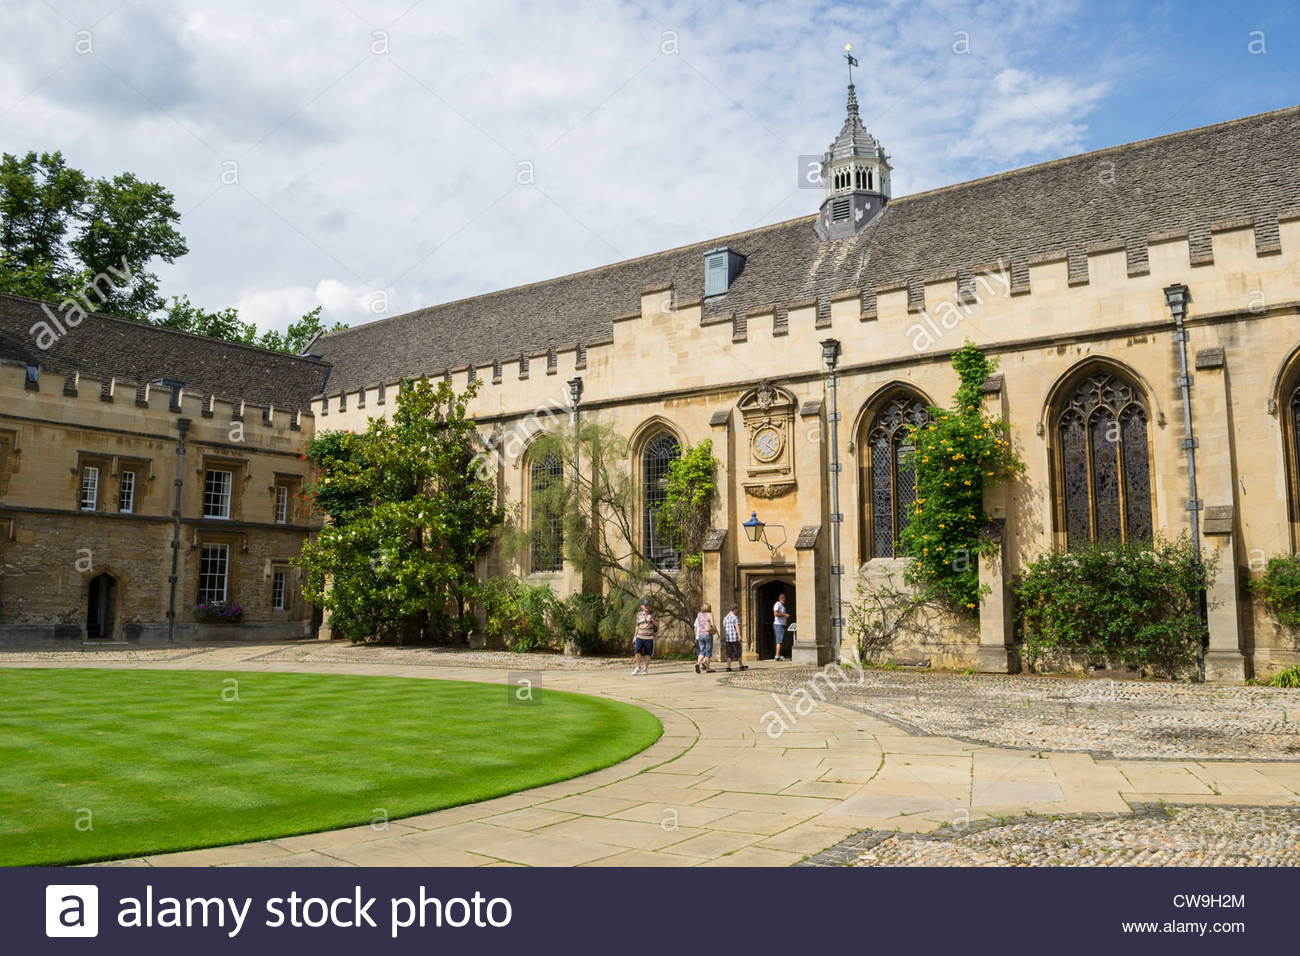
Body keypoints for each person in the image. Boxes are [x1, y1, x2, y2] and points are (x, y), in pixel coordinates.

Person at [632, 600, 658, 675]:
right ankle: (638, 667)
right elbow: (637, 626)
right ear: (642, 606)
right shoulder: (639, 614)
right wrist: (634, 636)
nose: (646, 607)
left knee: (647, 654)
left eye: (647, 605)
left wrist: (652, 620)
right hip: (639, 636)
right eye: (645, 605)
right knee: (637, 652)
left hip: (649, 637)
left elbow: (657, 624)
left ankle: (645, 669)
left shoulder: (653, 614)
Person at [722, 603, 747, 672]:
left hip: (728, 638)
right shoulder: (735, 617)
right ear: (734, 609)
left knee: (729, 652)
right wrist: (739, 635)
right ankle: (741, 665)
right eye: (737, 610)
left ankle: (728, 666)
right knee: (738, 651)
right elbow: (737, 627)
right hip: (734, 637)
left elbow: (724, 628)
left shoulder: (725, 618)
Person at [694, 602, 717, 674]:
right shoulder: (709, 614)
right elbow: (713, 624)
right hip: (707, 634)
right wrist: (716, 631)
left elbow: (697, 625)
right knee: (708, 651)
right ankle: (707, 667)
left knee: (702, 651)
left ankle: (698, 663)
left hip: (700, 635)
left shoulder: (699, 614)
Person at [773, 592, 790, 661]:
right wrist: (785, 615)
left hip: (782, 625)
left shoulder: (782, 605)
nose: (785, 600)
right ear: (781, 598)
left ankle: (778, 654)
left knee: (780, 640)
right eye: (784, 598)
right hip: (778, 625)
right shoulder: (777, 604)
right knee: (779, 640)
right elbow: (776, 613)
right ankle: (777, 656)